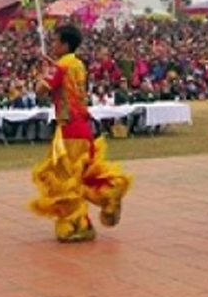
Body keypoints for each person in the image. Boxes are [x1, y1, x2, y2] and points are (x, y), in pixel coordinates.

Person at [29, 25, 132, 242]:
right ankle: (107, 195)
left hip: (69, 130)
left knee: (66, 179)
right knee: (82, 176)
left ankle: (79, 223)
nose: (53, 45)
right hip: (83, 128)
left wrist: (43, 74)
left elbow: (40, 91)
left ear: (65, 44)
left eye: (56, 41)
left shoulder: (61, 66)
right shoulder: (76, 64)